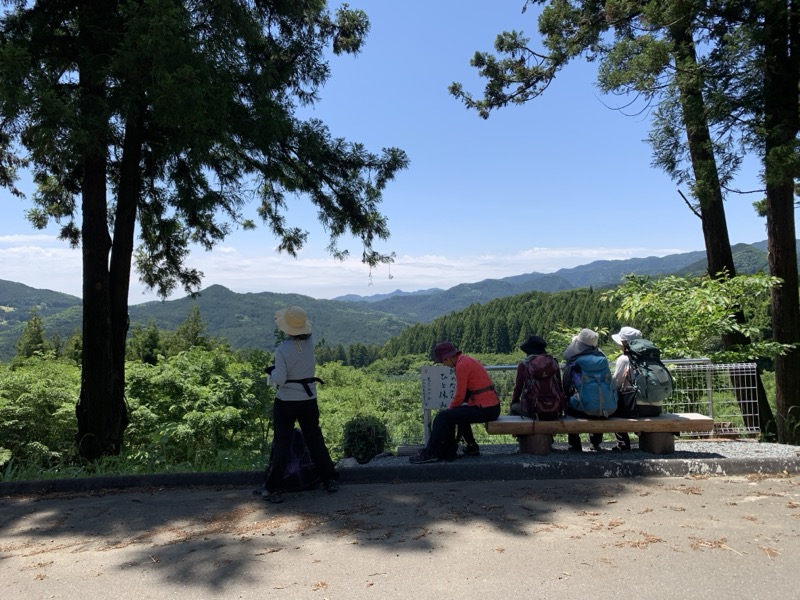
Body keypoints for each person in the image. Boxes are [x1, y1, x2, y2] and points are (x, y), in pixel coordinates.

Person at [263, 305, 338, 503]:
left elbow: (280, 379)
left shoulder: (281, 349)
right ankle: (329, 479)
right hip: (308, 399)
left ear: (287, 328)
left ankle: (273, 488)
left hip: (286, 401)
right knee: (315, 439)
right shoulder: (310, 343)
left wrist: (270, 373)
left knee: (281, 442)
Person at [409, 342, 501, 464]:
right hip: (491, 407)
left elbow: (460, 394)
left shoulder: (461, 365)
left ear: (448, 358)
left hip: (485, 407)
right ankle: (471, 447)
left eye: (443, 362)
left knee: (442, 417)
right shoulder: (466, 359)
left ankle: (430, 453)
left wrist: (450, 410)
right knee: (458, 414)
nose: (445, 365)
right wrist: (453, 410)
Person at [562, 328, 614, 452]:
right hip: (605, 408)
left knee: (569, 405)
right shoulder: (602, 359)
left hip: (582, 410)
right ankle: (595, 443)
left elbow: (566, 385)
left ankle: (575, 444)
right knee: (597, 399)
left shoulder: (574, 362)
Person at [611, 326, 662, 451]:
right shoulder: (650, 358)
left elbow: (616, 384)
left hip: (637, 409)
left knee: (612, 409)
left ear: (624, 343)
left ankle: (623, 444)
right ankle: (643, 438)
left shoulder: (624, 359)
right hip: (657, 407)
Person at [510, 334, 550, 416]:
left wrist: (514, 401)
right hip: (554, 407)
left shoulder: (524, 364)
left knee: (514, 407)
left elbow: (518, 387)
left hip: (533, 409)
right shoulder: (553, 362)